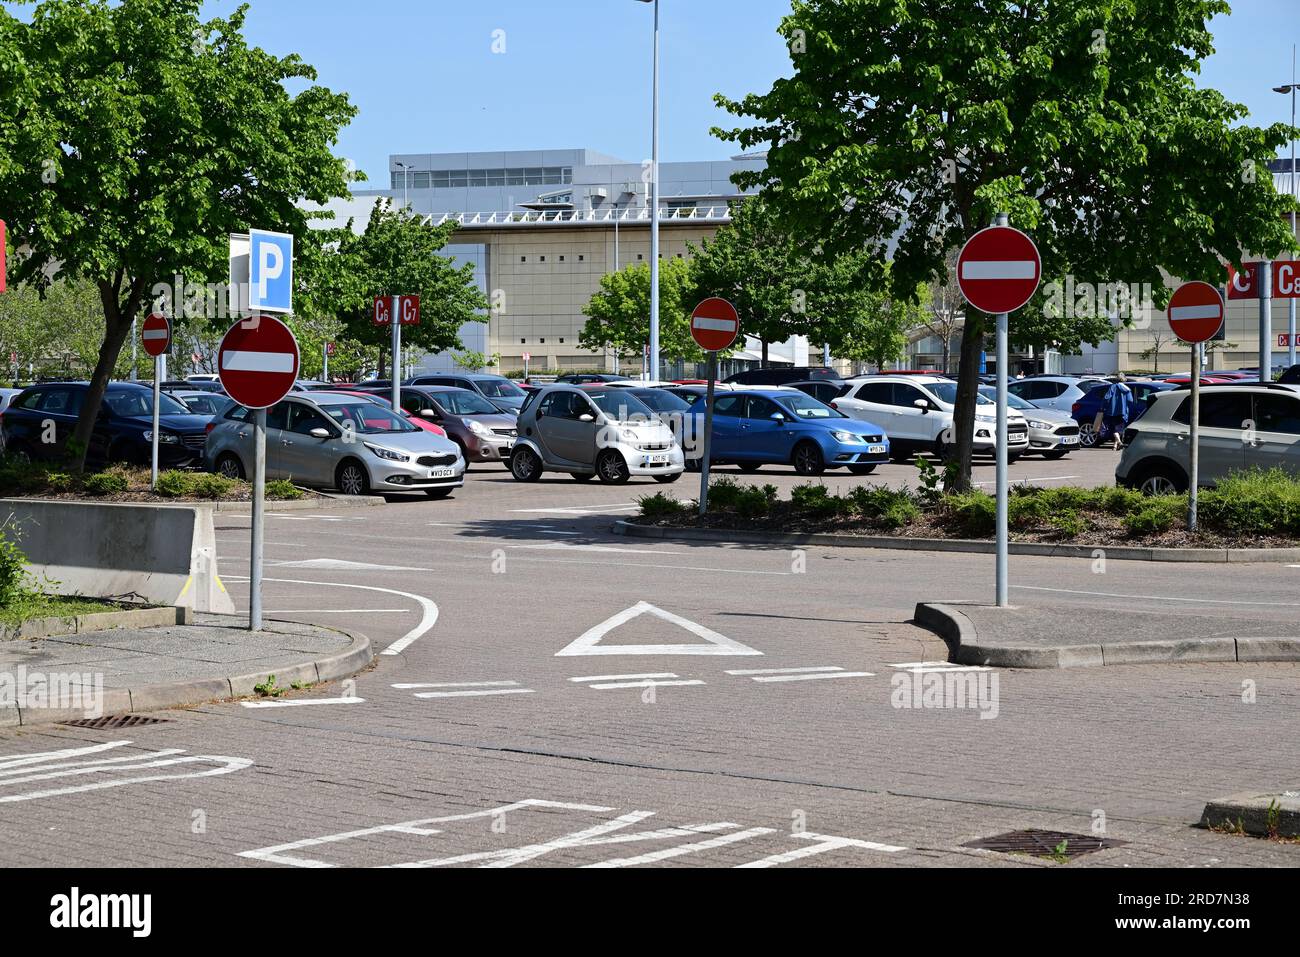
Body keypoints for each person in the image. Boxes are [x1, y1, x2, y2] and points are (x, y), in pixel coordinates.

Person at [1100, 374, 1133, 451]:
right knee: (1118, 429)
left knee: (1113, 429)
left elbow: (1106, 398)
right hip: (1123, 412)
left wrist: (1103, 407)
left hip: (1112, 411)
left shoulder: (1113, 387)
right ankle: (1115, 446)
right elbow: (1130, 400)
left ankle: (1119, 442)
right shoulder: (1127, 389)